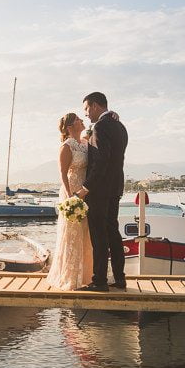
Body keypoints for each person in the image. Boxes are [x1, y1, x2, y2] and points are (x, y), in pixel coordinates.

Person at [74, 92, 128, 292]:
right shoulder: (120, 126)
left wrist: (86, 187)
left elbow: (101, 160)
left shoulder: (100, 127)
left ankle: (99, 281)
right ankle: (120, 279)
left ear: (95, 106)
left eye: (86, 109)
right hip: (115, 187)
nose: (86, 114)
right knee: (113, 232)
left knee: (99, 235)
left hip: (100, 189)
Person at [46, 113, 93, 290]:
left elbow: (92, 129)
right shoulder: (66, 147)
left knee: (85, 234)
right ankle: (70, 277)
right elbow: (63, 173)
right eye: (78, 120)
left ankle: (86, 276)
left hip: (86, 191)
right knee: (72, 233)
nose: (82, 121)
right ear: (70, 127)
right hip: (72, 191)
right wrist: (70, 197)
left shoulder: (84, 143)